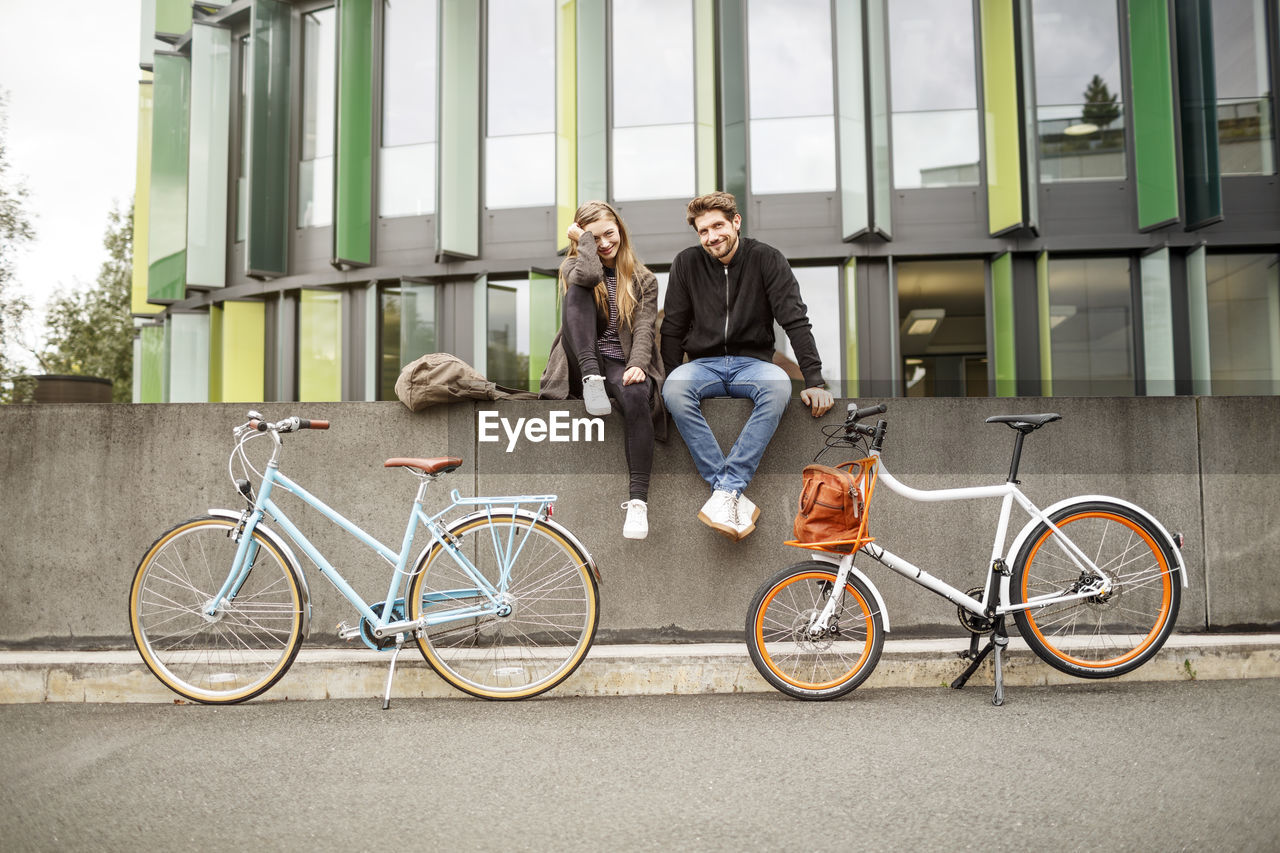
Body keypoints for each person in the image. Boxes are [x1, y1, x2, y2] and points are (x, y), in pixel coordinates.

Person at [661, 191, 834, 541]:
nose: (711, 237)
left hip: (753, 364)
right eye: (703, 231)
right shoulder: (686, 263)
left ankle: (724, 491)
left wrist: (814, 379)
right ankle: (728, 491)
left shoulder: (767, 259)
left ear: (736, 222)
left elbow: (795, 320)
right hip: (702, 365)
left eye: (717, 226)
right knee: (675, 389)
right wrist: (664, 382)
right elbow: (673, 329)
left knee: (779, 386)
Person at [540, 201, 665, 540]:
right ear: (582, 241)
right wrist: (585, 246)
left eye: (609, 234)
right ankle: (590, 376)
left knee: (638, 395)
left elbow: (644, 329)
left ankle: (638, 503)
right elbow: (590, 273)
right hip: (582, 358)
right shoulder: (575, 268)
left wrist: (638, 366)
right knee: (578, 290)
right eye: (594, 238)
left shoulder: (644, 279)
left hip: (620, 362)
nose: (605, 243)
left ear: (620, 230)